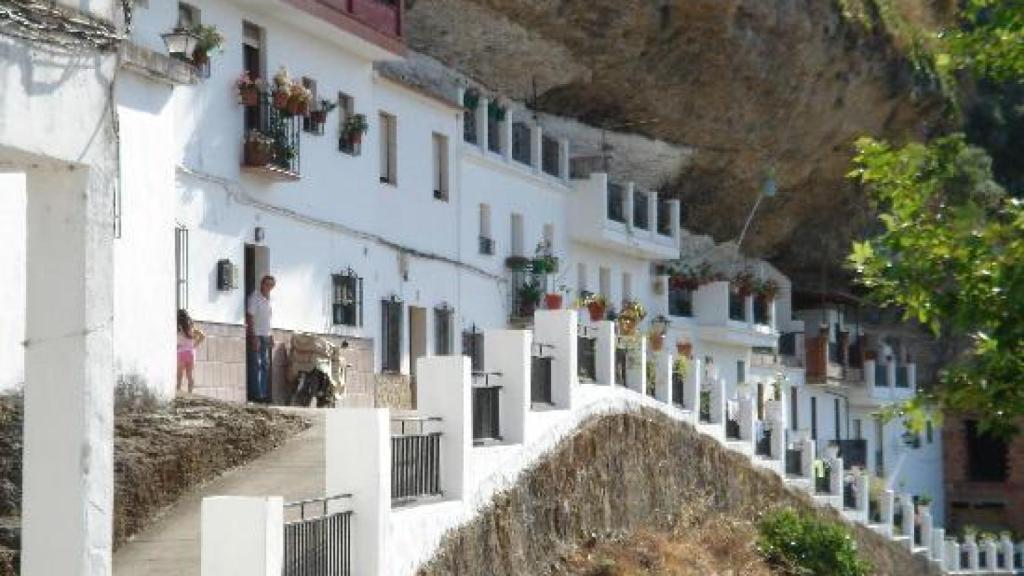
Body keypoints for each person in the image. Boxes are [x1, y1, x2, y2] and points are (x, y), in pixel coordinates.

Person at [247, 274, 275, 403]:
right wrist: (253, 336)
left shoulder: (268, 300)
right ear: (262, 284)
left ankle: (262, 395)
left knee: (265, 365)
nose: (269, 287)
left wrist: (271, 335)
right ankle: (255, 395)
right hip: (257, 335)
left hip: (266, 336)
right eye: (267, 284)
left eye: (271, 285)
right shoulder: (255, 297)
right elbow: (250, 317)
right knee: (256, 365)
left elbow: (268, 320)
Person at [177, 309, 205, 394]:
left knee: (180, 375)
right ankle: (190, 393)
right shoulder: (191, 328)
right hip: (191, 353)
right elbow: (203, 335)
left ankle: (178, 391)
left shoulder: (178, 328)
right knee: (190, 375)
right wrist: (194, 345)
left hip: (181, 352)